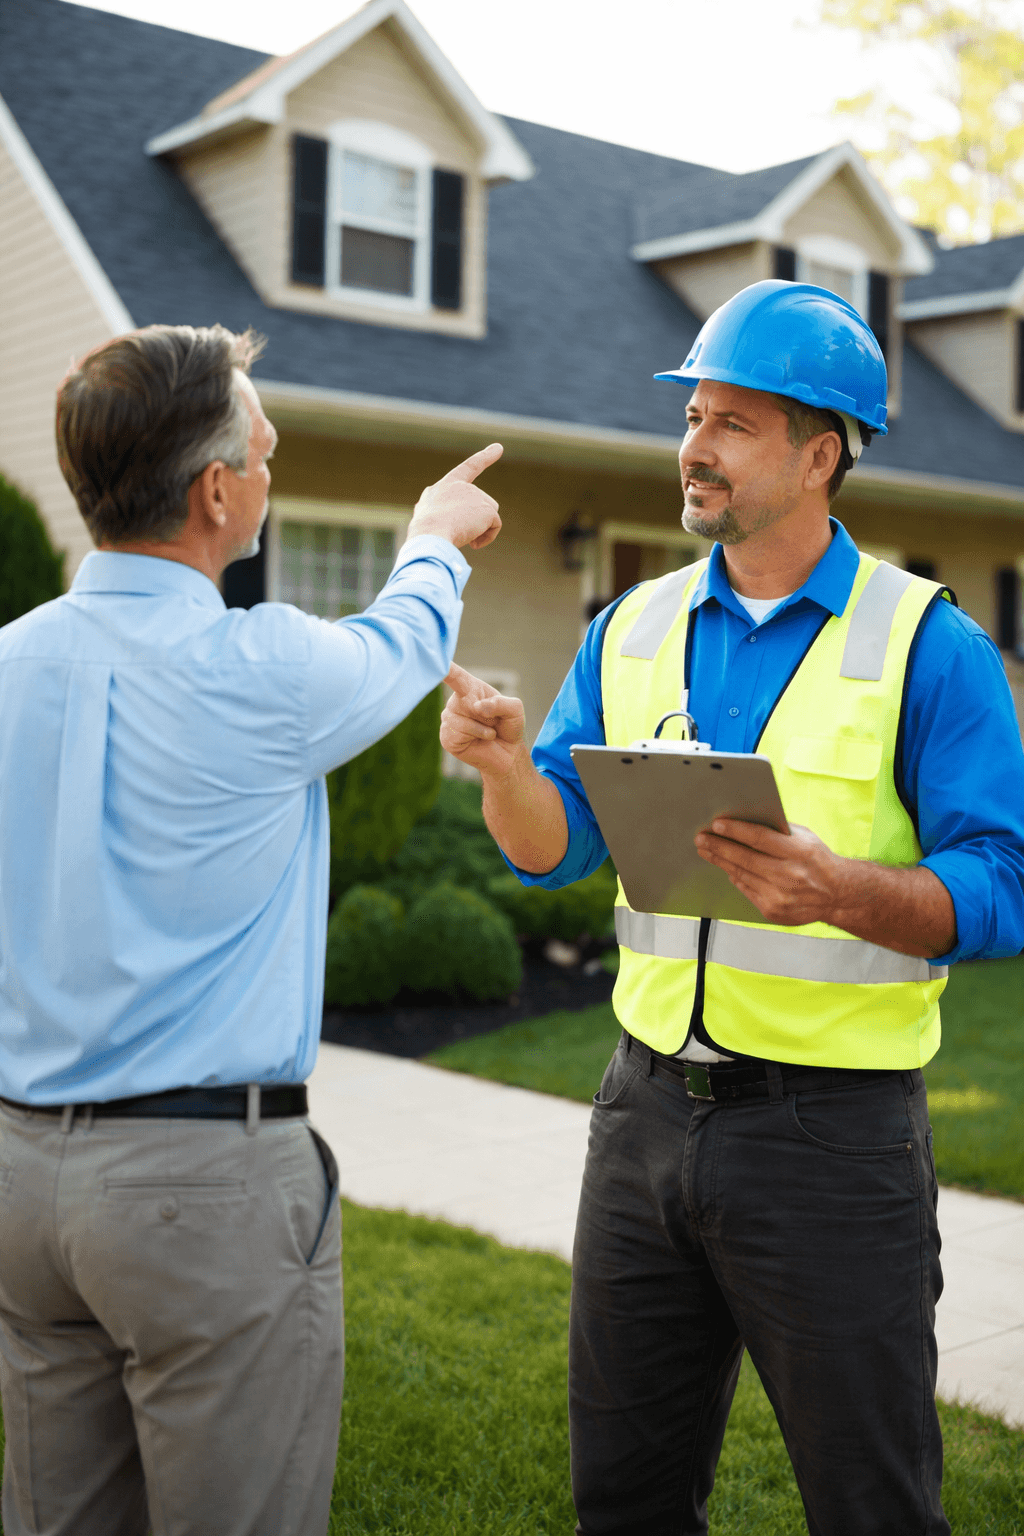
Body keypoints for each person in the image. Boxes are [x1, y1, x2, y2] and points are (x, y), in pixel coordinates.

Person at [440, 281, 1024, 1536]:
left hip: (832, 1146)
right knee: (625, 1497)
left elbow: (1004, 881)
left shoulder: (931, 647)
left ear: (822, 455)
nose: (694, 446)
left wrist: (845, 892)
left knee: (869, 1503)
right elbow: (554, 846)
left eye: (734, 423)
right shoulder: (630, 626)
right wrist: (500, 772)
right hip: (639, 1115)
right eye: (693, 416)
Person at [0, 322, 503, 1536]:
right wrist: (433, 539)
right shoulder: (260, 667)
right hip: (199, 1195)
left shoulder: (9, 663)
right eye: (265, 454)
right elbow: (403, 644)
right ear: (218, 490)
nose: (270, 476)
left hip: (19, 1184)